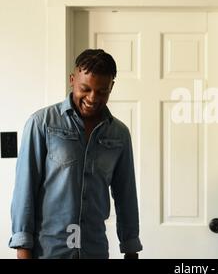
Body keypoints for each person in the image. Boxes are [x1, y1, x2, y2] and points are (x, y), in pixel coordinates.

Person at [9, 49, 142, 259]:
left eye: (102, 91)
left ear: (111, 87)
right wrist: (22, 249)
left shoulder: (119, 134)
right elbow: (25, 189)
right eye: (85, 89)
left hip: (95, 250)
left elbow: (126, 195)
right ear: (72, 80)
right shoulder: (42, 123)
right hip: (48, 251)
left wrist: (130, 248)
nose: (92, 98)